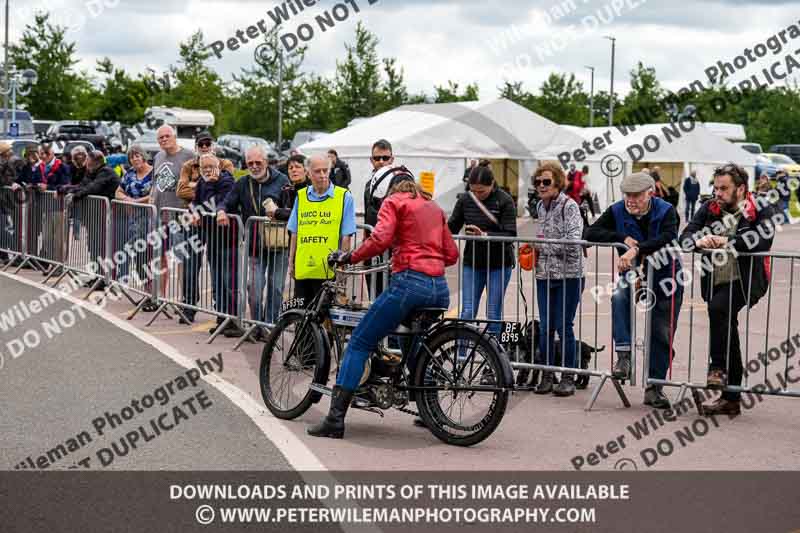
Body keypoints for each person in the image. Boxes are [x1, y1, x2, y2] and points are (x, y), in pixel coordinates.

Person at [307, 180, 459, 439]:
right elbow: (452, 254)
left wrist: (350, 256)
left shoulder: (393, 202)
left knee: (359, 342)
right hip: (439, 288)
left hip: (409, 284)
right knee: (413, 343)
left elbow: (380, 239)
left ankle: (334, 420)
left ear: (391, 190)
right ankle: (428, 409)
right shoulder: (433, 207)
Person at [679, 164, 777, 416]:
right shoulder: (710, 208)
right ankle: (731, 398)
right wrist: (697, 240)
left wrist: (727, 241)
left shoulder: (760, 208)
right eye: (716, 187)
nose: (718, 193)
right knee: (727, 328)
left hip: (747, 280)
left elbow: (761, 239)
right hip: (715, 280)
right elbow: (685, 235)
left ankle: (718, 368)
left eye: (724, 188)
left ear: (741, 189)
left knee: (719, 308)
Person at [585, 172, 682, 409]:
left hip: (665, 274)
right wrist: (621, 237)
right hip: (633, 274)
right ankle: (624, 356)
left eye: (636, 196)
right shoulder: (617, 210)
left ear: (651, 192)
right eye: (628, 195)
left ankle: (654, 387)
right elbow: (590, 233)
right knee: (618, 295)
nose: (631, 200)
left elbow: (669, 238)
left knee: (661, 330)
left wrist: (636, 249)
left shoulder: (667, 210)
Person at [217, 145, 290, 337]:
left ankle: (269, 327)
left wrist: (278, 213)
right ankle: (256, 324)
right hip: (254, 246)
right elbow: (228, 201)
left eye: (258, 162)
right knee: (254, 289)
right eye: (250, 163)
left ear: (266, 162)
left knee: (276, 287)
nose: (255, 166)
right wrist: (221, 210)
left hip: (279, 244)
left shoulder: (282, 181)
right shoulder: (242, 183)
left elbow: (293, 209)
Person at [531, 162, 585, 396]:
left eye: (546, 182)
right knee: (545, 327)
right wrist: (535, 251)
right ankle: (547, 373)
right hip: (544, 274)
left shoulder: (570, 206)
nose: (541, 186)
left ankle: (568, 376)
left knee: (564, 326)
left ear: (558, 183)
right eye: (538, 182)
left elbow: (573, 243)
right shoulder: (540, 207)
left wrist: (543, 246)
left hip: (570, 275)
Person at [448, 163, 517, 337]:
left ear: (492, 184)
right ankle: (461, 357)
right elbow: (452, 227)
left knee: (493, 313)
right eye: (474, 191)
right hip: (473, 262)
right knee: (467, 312)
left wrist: (485, 234)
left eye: (482, 192)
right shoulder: (465, 199)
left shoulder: (505, 200)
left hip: (499, 263)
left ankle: (495, 360)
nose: (477, 196)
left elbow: (510, 234)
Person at [176, 131, 234, 323]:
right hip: (195, 224)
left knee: (217, 268)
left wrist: (200, 185)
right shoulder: (188, 165)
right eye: (201, 144)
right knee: (191, 266)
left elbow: (225, 192)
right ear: (196, 147)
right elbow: (180, 191)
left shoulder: (225, 165)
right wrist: (195, 207)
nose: (204, 147)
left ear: (213, 145)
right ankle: (190, 306)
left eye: (207, 144)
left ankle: (221, 311)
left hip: (217, 226)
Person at [287, 154, 357, 307]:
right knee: (300, 316)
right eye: (317, 171)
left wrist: (341, 266)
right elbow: (295, 232)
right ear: (308, 173)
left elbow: (346, 236)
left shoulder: (344, 196)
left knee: (324, 320)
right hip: (304, 268)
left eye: (325, 171)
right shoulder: (301, 196)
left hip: (328, 270)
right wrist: (291, 261)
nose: (323, 175)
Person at [190, 154, 241, 336]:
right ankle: (221, 318)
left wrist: (210, 184)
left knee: (230, 282)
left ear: (219, 166)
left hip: (228, 240)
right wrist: (195, 212)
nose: (208, 170)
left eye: (212, 166)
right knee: (217, 280)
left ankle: (234, 320)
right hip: (212, 237)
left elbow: (216, 205)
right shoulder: (202, 182)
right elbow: (196, 202)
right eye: (204, 167)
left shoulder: (227, 181)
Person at [362, 139, 414, 297]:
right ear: (371, 160)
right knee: (375, 295)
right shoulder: (368, 185)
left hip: (396, 250)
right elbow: (367, 216)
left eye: (385, 158)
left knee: (395, 297)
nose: (381, 162)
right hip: (374, 248)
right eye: (377, 158)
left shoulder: (402, 182)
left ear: (392, 159)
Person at [149, 125, 194, 300]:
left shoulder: (188, 156)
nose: (164, 139)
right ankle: (160, 296)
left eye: (167, 136)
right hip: (159, 216)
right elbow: (155, 184)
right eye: (161, 137)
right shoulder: (158, 156)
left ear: (175, 137)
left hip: (180, 216)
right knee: (159, 257)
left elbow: (197, 182)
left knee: (180, 258)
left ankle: (184, 299)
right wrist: (152, 202)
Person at [66, 150, 121, 287]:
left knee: (102, 247)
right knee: (94, 247)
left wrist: (75, 195)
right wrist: (66, 190)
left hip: (107, 216)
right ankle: (97, 276)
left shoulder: (106, 172)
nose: (86, 164)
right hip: (95, 216)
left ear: (95, 162)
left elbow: (94, 187)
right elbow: (82, 186)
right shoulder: (91, 172)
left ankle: (104, 279)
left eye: (88, 161)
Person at [114, 144, 157, 310]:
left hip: (151, 220)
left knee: (146, 256)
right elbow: (118, 192)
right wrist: (127, 200)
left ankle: (154, 296)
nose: (135, 159)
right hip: (134, 220)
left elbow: (155, 194)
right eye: (132, 157)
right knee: (139, 258)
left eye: (137, 156)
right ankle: (148, 294)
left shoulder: (154, 173)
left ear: (144, 156)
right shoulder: (130, 174)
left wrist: (137, 202)